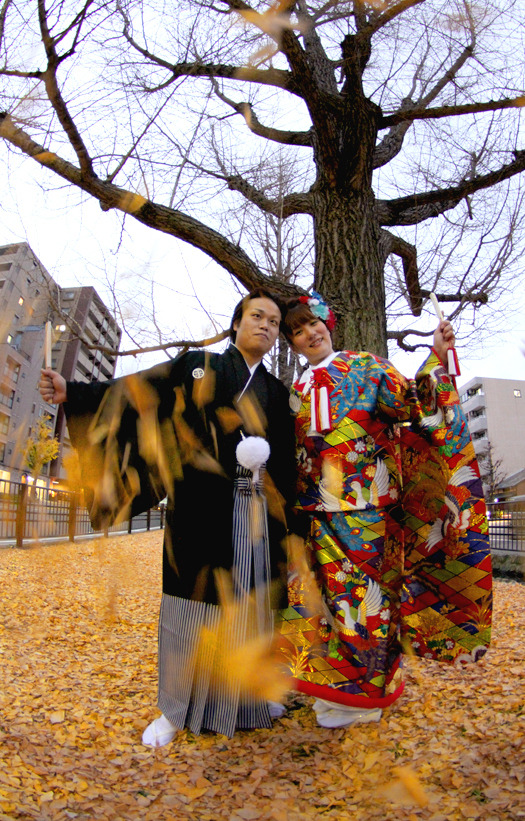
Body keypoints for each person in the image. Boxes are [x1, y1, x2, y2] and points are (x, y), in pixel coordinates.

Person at [39, 288, 296, 744]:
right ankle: (176, 708)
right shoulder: (199, 365)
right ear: (236, 323)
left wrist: (292, 533)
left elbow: (289, 468)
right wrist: (74, 392)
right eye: (257, 316)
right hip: (200, 507)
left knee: (251, 607)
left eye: (274, 323)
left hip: (256, 514)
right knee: (190, 605)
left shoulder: (277, 392)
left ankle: (249, 697)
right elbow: (142, 389)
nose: (266, 326)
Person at [277, 294, 492, 729]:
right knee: (327, 604)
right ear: (293, 344)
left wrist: (436, 355)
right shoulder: (298, 389)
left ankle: (368, 697)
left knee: (366, 604)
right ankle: (336, 688)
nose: (309, 335)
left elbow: (414, 405)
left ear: (328, 325)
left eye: (312, 325)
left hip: (369, 510)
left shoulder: (366, 366)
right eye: (297, 332)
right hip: (317, 512)